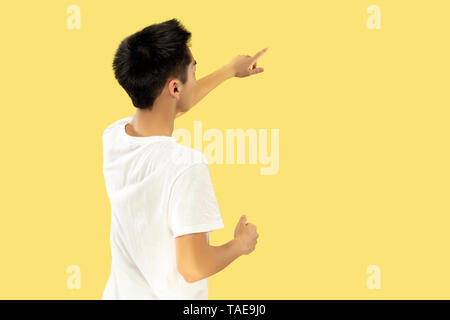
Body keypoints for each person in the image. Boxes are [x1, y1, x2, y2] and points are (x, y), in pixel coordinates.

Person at [102, 18, 267, 299]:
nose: (195, 73)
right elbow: (193, 267)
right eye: (194, 69)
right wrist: (241, 244)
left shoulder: (114, 136)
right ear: (175, 88)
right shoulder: (186, 167)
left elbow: (169, 107)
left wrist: (229, 71)